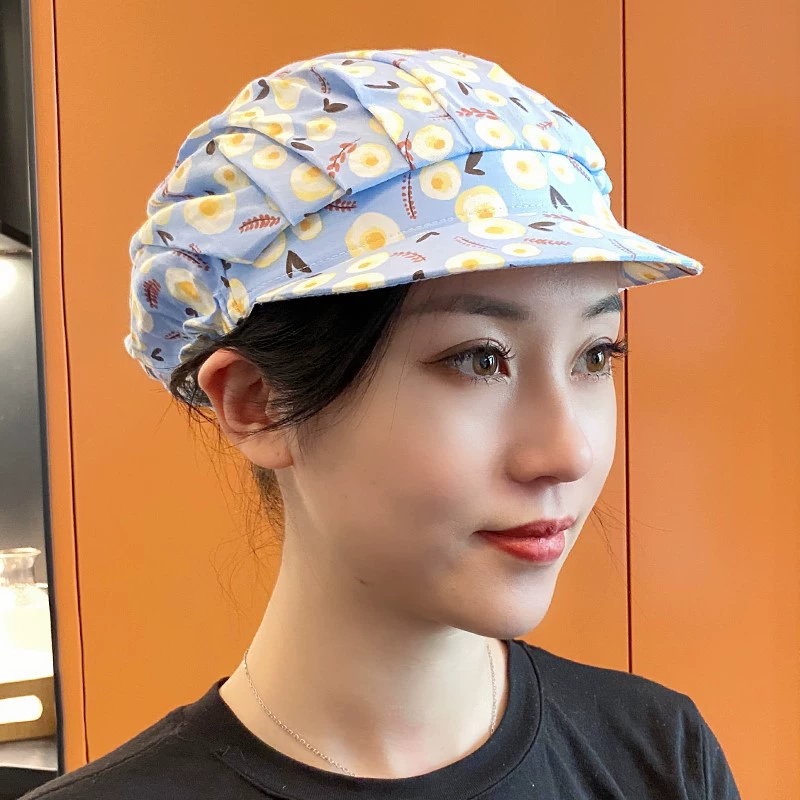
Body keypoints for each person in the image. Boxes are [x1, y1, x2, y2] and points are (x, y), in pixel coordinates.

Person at [23, 47, 741, 799]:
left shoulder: (659, 754)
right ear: (259, 403)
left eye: (595, 355)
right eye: (479, 359)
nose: (570, 450)